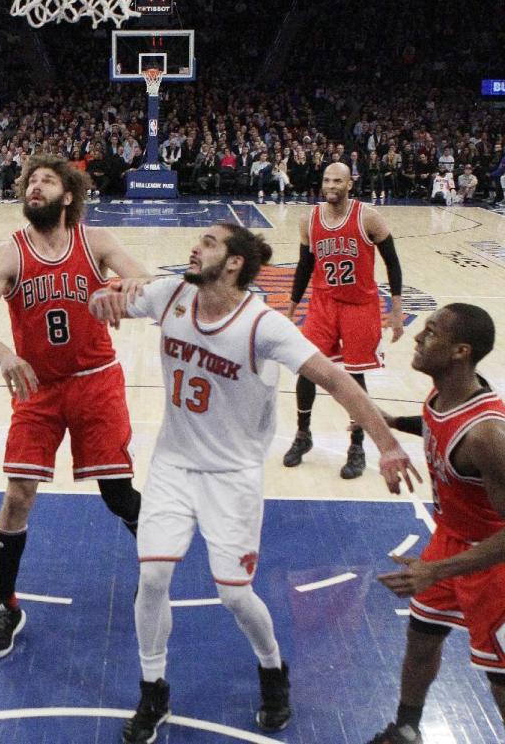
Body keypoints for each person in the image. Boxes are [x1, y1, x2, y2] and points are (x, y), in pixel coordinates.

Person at [89, 222, 419, 743]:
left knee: (235, 595)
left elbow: (334, 378)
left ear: (236, 262)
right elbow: (96, 302)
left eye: (210, 243)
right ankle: (153, 689)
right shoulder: (171, 294)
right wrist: (109, 298)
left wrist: (388, 443)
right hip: (174, 464)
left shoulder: (263, 325)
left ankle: (272, 669)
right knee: (152, 580)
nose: (195, 248)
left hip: (232, 475)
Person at [0, 154, 149, 660]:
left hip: (95, 381)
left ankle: (154, 572)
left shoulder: (96, 242)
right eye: (31, 181)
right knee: (18, 495)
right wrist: (5, 355)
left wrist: (122, 287)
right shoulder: (9, 253)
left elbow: (145, 281)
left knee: (116, 493)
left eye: (47, 181)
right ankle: (6, 604)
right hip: (38, 388)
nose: (35, 186)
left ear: (69, 196)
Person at [365, 303, 505, 744]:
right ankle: (406, 728)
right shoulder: (443, 394)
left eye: (431, 333)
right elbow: (435, 426)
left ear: (461, 351)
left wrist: (437, 570)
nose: (417, 337)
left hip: (493, 560)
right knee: (422, 635)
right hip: (452, 539)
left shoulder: (487, 436)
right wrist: (391, 423)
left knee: (498, 676)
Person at [283, 161, 404, 479]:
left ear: (350, 184)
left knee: (355, 377)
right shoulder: (309, 219)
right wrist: (293, 304)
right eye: (326, 180)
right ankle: (303, 435)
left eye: (338, 180)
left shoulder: (368, 216)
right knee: (307, 368)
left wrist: (397, 307)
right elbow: (304, 265)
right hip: (323, 304)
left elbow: (392, 262)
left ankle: (357, 445)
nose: (331, 186)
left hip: (359, 306)